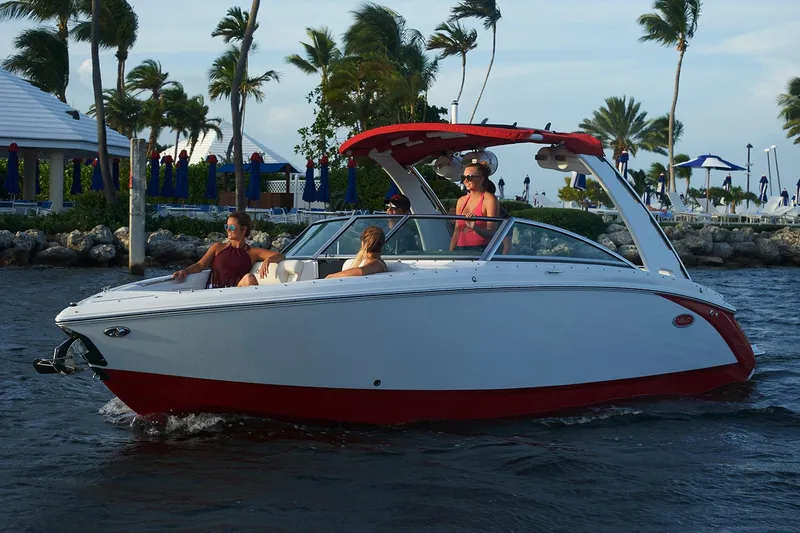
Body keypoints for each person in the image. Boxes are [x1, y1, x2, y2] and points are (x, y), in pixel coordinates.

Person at [172, 212, 284, 287]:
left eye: (231, 227)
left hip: (236, 293)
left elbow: (280, 256)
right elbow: (200, 265)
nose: (228, 230)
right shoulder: (218, 247)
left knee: (249, 278)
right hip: (215, 292)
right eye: (226, 227)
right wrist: (185, 271)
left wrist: (268, 260)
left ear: (243, 229)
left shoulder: (252, 252)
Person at [450, 163, 499, 251]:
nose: (465, 181)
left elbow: (492, 233)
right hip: (460, 249)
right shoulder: (461, 201)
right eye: (463, 178)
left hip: (480, 250)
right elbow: (456, 232)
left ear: (481, 179)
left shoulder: (489, 200)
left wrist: (475, 228)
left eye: (469, 177)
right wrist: (450, 254)